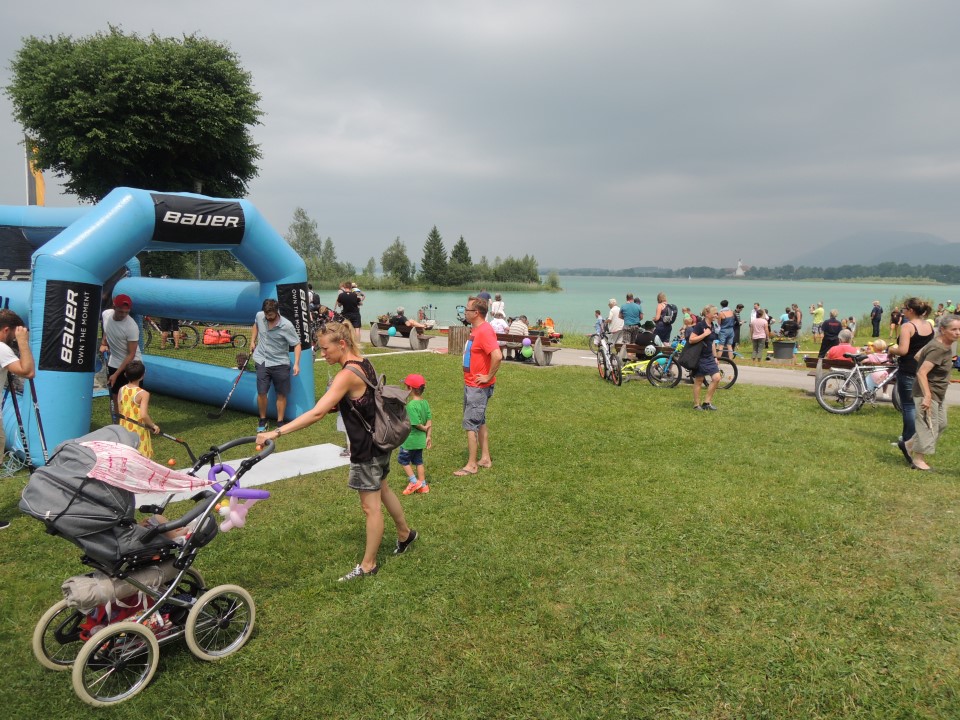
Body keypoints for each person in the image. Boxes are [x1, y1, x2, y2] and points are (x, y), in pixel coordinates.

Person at [256, 321, 416, 581]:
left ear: (341, 344)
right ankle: (405, 534)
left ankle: (368, 565)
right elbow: (360, 400)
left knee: (370, 508)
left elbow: (316, 413)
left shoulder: (346, 374)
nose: (322, 354)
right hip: (380, 442)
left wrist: (276, 432)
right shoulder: (363, 362)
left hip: (366, 449)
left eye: (325, 349)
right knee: (383, 489)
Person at [898, 314, 960, 471]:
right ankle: (918, 460)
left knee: (941, 423)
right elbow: (921, 373)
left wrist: (939, 375)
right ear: (943, 330)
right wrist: (926, 395)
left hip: (937, 392)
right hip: (927, 393)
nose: (958, 333)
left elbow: (918, 355)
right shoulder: (938, 348)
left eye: (959, 329)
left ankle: (908, 445)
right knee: (928, 425)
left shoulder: (943, 344)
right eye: (954, 329)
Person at [455, 296, 502, 477]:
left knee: (471, 424)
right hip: (471, 384)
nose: (464, 313)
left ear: (476, 313)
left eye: (466, 310)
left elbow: (497, 356)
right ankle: (485, 458)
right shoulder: (477, 329)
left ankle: (471, 465)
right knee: (479, 421)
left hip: (477, 387)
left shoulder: (485, 331)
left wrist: (488, 376)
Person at [0, 310, 35, 531]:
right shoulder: (2, 348)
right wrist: (23, 343)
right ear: (6, 330)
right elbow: (28, 371)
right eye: (13, 335)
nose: (14, 339)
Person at [250, 298, 302, 433]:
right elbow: (256, 325)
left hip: (280, 363)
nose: (268, 317)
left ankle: (280, 421)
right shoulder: (260, 316)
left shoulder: (287, 326)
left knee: (281, 394)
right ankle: (263, 419)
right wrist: (252, 341)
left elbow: (297, 344)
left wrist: (296, 363)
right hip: (262, 360)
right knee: (261, 392)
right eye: (266, 314)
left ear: (277, 311)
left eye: (271, 315)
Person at [889, 297, 934, 446]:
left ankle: (908, 440)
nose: (903, 312)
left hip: (908, 369)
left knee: (908, 406)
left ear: (911, 310)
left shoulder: (908, 327)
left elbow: (903, 350)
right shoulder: (929, 325)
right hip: (924, 369)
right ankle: (911, 436)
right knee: (918, 405)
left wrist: (891, 349)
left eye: (904, 309)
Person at [99, 293, 142, 422]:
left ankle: (135, 425)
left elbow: (131, 354)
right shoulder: (106, 314)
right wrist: (104, 343)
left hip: (132, 365)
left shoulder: (131, 327)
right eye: (120, 311)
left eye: (126, 312)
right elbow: (107, 328)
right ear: (114, 307)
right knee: (116, 397)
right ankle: (119, 424)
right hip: (114, 362)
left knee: (134, 398)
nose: (123, 315)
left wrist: (116, 374)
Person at [118, 360, 160, 459]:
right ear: (142, 376)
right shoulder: (143, 394)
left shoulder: (121, 389)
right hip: (138, 429)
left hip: (124, 427)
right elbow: (143, 415)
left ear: (125, 374)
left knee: (127, 455)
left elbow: (120, 410)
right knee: (140, 456)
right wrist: (153, 425)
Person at [399, 373, 432, 495]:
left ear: (410, 389)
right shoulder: (425, 403)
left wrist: (424, 428)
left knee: (403, 460)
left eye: (406, 386)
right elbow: (429, 420)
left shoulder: (411, 406)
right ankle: (423, 485)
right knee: (418, 461)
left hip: (410, 441)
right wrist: (428, 435)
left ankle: (413, 482)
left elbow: (416, 423)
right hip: (420, 440)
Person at [687, 305, 721, 411]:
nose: (716, 315)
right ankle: (696, 405)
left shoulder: (712, 325)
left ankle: (707, 402)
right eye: (714, 313)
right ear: (707, 314)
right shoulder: (700, 325)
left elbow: (712, 343)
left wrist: (715, 357)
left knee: (717, 378)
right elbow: (691, 340)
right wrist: (704, 334)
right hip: (700, 356)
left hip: (709, 357)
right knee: (699, 380)